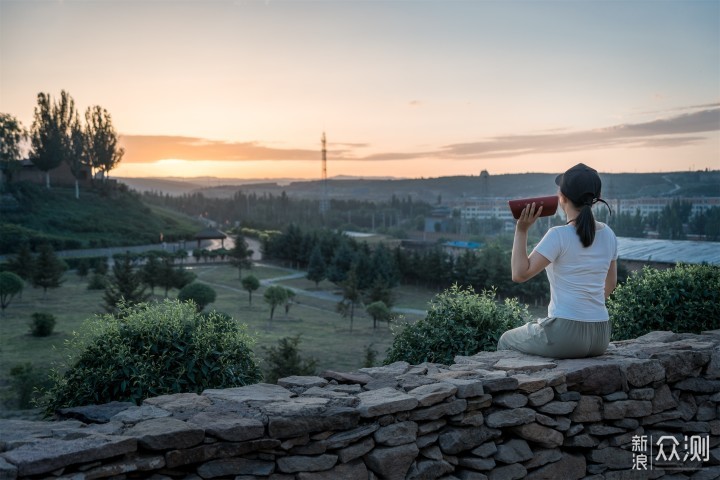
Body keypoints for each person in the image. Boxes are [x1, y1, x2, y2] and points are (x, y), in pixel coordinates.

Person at [497, 163, 618, 358]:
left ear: (562, 197)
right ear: (596, 197)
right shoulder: (609, 234)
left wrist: (521, 230)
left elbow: (519, 274)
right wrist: (585, 310)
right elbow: (610, 284)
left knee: (505, 340)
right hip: (601, 335)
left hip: (566, 335)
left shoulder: (558, 235)